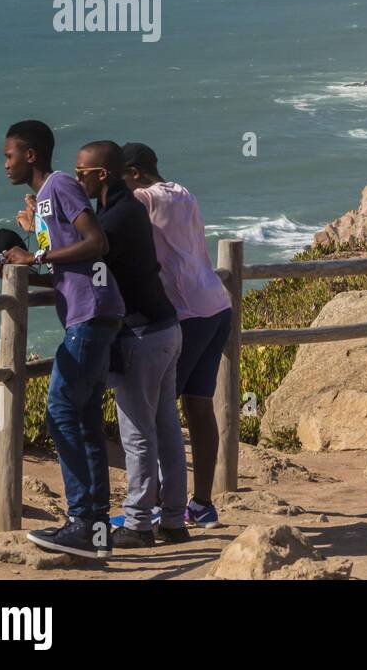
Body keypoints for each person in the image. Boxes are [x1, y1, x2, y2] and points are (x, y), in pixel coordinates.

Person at [0, 121, 124, 559]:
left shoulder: (60, 185)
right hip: (92, 311)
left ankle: (82, 521)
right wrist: (25, 271)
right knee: (83, 420)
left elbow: (96, 242)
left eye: (9, 154)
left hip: (90, 315)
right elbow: (70, 268)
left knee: (61, 412)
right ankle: (97, 531)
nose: (5, 162)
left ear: (30, 155)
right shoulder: (48, 198)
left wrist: (36, 254)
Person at [74, 141, 191, 548]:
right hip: (165, 327)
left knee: (138, 434)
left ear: (102, 174)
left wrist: (37, 247)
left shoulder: (115, 217)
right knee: (166, 428)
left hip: (140, 335)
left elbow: (86, 261)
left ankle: (139, 524)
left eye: (82, 172)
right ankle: (174, 520)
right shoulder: (130, 209)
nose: (77, 180)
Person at [122, 142, 232, 529]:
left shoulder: (142, 199)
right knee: (199, 407)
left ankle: (155, 506)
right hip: (217, 306)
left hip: (185, 314)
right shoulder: (182, 192)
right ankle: (201, 504)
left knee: (155, 413)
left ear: (134, 173)